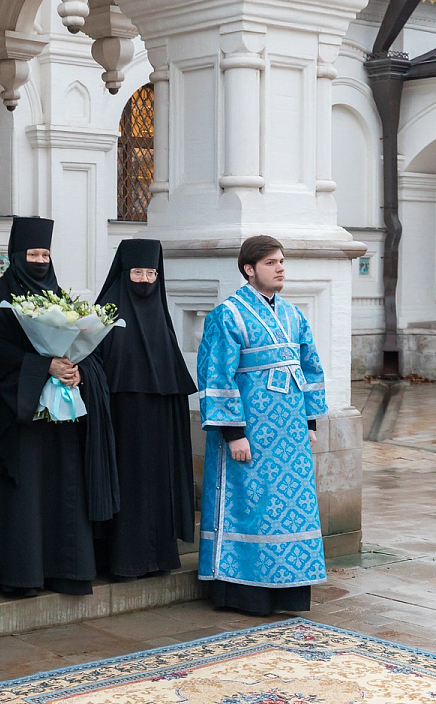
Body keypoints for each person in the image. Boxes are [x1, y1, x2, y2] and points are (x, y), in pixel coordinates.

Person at [0, 216, 119, 596]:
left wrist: (77, 371)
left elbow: (85, 350)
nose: (39, 261)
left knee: (62, 491)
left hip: (61, 422)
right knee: (24, 496)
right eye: (32, 254)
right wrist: (44, 367)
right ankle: (22, 575)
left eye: (44, 254)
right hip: (18, 420)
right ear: (16, 256)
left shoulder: (59, 297)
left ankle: (65, 570)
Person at [196, 235, 328, 616]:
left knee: (290, 509)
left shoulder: (293, 315)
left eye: (282, 261)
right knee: (250, 506)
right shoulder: (228, 315)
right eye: (271, 263)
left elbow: (310, 368)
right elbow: (216, 374)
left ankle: (288, 592)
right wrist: (233, 433)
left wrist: (309, 421)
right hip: (249, 434)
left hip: (290, 438)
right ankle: (243, 593)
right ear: (249, 269)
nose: (280, 268)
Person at [95, 239, 196, 579]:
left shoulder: (159, 312)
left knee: (157, 486)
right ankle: (124, 561)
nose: (145, 280)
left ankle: (157, 558)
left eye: (152, 273)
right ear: (124, 273)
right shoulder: (106, 311)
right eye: (137, 273)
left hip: (158, 420)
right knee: (126, 486)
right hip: (121, 419)